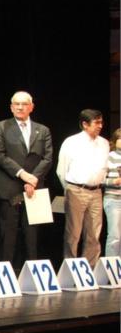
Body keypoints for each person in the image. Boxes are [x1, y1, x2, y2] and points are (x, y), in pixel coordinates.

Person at [0, 91, 53, 268]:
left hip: (34, 188)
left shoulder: (43, 130)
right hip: (10, 187)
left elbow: (48, 158)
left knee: (32, 236)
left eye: (24, 104)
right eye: (16, 104)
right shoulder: (2, 126)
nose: (20, 107)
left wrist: (33, 179)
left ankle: (32, 273)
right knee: (8, 235)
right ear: (11, 107)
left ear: (31, 107)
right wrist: (22, 174)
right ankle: (5, 274)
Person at [56, 109, 109, 266]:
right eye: (96, 123)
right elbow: (61, 170)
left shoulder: (104, 143)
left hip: (96, 191)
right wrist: (69, 189)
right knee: (73, 233)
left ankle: (90, 268)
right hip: (76, 190)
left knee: (94, 232)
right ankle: (70, 267)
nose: (100, 126)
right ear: (85, 124)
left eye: (101, 122)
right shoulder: (71, 142)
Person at [103, 128, 121, 257]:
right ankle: (112, 265)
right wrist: (114, 181)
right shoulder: (108, 157)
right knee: (115, 236)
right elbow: (99, 179)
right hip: (114, 200)